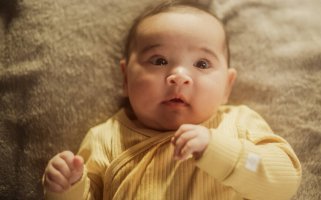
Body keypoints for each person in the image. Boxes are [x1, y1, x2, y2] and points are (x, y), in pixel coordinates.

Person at [42, 1, 302, 199]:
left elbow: (285, 179)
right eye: (159, 61)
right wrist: (68, 187)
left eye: (202, 63)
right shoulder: (106, 138)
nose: (179, 77)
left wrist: (219, 151)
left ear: (227, 86)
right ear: (125, 78)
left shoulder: (237, 124)